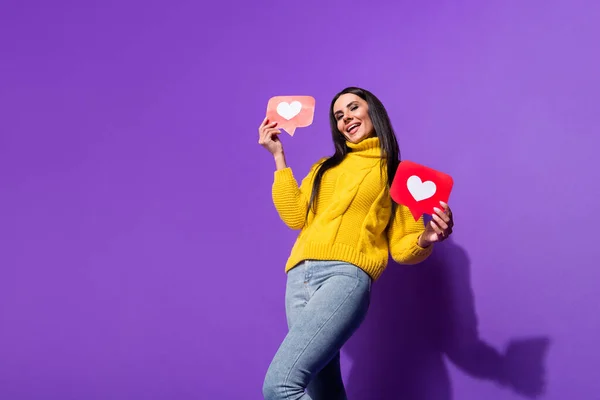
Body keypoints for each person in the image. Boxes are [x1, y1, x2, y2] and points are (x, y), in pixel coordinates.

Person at [258, 87, 454, 400]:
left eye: (353, 108)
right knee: (325, 391)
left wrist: (427, 236)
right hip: (298, 279)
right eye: (338, 115)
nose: (346, 117)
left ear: (372, 112)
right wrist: (278, 157)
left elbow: (402, 248)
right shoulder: (324, 167)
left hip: (344, 277)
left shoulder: (395, 173)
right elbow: (295, 216)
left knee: (280, 387)